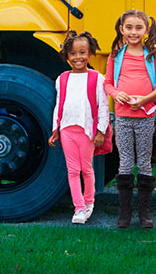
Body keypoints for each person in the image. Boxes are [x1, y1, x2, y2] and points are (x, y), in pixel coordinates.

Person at [104, 9, 156, 228]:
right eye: (129, 27)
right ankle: (125, 214)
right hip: (122, 117)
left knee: (144, 162)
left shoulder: (153, 55)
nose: (133, 32)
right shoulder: (116, 55)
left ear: (146, 30)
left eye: (138, 28)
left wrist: (144, 100)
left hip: (145, 117)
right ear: (121, 30)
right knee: (125, 161)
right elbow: (108, 83)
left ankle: (144, 213)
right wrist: (116, 94)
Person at [48, 31, 108, 225]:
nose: (78, 57)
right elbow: (60, 105)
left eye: (82, 52)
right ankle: (79, 207)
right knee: (72, 170)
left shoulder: (97, 78)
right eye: (73, 53)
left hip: (87, 131)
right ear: (67, 55)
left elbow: (103, 106)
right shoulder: (62, 78)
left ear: (90, 53)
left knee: (86, 169)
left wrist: (101, 131)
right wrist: (55, 130)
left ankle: (89, 202)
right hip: (67, 130)